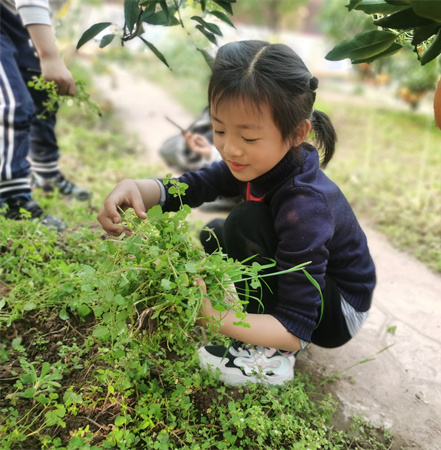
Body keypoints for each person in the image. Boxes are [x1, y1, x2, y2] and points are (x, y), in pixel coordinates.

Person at [97, 40, 377, 386]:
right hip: (320, 290)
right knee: (216, 231)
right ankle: (259, 326)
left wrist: (214, 316)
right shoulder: (258, 161)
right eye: (220, 129)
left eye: (248, 136)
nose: (229, 147)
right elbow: (194, 185)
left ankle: (274, 359)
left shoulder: (305, 205)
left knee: (244, 223)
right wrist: (138, 189)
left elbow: (295, 328)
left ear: (297, 133)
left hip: (339, 312)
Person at [0, 0, 91, 231]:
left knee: (42, 93)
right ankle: (11, 197)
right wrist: (49, 55)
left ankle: (46, 175)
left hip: (15, 20)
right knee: (13, 104)